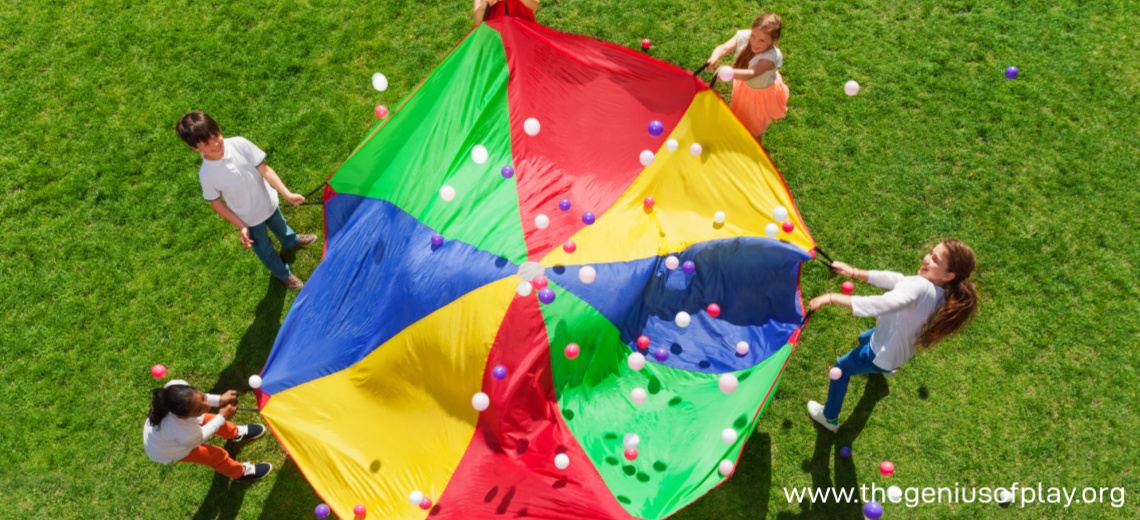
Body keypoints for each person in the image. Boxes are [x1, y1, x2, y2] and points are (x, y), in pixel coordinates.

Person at [805, 240, 978, 431]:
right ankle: (887, 369)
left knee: (841, 368)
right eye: (930, 252)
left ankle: (829, 418)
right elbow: (898, 280)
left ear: (948, 275)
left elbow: (881, 304)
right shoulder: (944, 291)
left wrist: (832, 298)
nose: (927, 259)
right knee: (864, 338)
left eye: (935, 259)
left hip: (880, 352)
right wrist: (854, 272)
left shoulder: (921, 286)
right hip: (900, 347)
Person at [176, 111, 317, 291]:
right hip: (249, 220)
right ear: (195, 148)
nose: (216, 143)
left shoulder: (239, 144)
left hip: (269, 203)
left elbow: (264, 169)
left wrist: (287, 194)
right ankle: (283, 274)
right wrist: (241, 225)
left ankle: (292, 241)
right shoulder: (206, 174)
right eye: (206, 143)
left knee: (281, 226)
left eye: (216, 136)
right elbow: (216, 203)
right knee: (264, 250)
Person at [143, 380, 273, 482]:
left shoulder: (176, 388)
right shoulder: (185, 434)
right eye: (199, 409)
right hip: (167, 450)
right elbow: (200, 437)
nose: (207, 405)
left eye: (203, 397)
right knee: (215, 455)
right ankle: (240, 473)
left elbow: (197, 400)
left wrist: (220, 399)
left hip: (171, 433)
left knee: (211, 419)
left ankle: (234, 433)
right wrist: (222, 417)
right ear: (183, 416)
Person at [705, 13, 789, 139]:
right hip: (745, 88)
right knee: (740, 116)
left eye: (762, 40)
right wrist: (714, 57)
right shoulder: (744, 36)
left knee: (754, 129)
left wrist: (729, 73)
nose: (755, 43)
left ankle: (755, 148)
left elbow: (752, 73)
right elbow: (724, 48)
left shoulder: (771, 57)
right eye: (753, 36)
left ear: (774, 40)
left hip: (760, 96)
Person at [473, 0, 539, 24]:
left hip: (524, 30)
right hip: (497, 35)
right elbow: (477, 20)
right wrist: (483, 7)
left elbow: (535, 5)